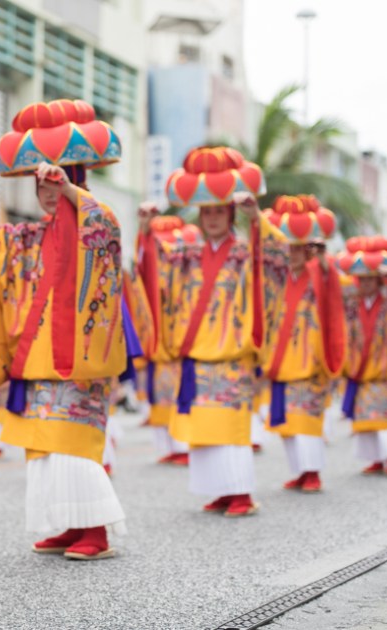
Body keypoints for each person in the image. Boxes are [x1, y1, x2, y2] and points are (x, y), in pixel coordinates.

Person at [0, 98, 131, 560]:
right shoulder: (31, 235)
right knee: (45, 448)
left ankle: (96, 530)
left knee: (72, 442)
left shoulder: (97, 222)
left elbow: (105, 227)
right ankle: (67, 525)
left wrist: (72, 192)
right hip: (39, 358)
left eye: (57, 179)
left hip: (79, 359)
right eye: (41, 181)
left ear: (77, 178)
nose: (48, 189)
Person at [138, 147, 288, 517]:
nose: (213, 218)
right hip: (196, 355)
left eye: (220, 210)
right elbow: (156, 273)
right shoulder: (188, 254)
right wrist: (145, 230)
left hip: (231, 355)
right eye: (207, 211)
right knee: (204, 430)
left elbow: (276, 260)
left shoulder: (245, 252)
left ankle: (241, 494)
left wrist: (256, 220)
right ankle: (221, 490)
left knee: (230, 427)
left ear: (231, 212)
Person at [260, 196, 345, 493]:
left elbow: (334, 291)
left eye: (298, 248)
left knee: (307, 420)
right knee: (287, 423)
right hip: (281, 358)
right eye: (288, 248)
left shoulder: (319, 274)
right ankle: (299, 471)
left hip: (310, 359)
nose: (292, 254)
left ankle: (313, 473)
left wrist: (322, 262)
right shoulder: (278, 277)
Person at [135, 215, 199, 466]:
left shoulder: (188, 272)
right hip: (160, 346)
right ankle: (173, 446)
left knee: (178, 397)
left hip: (180, 345)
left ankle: (184, 445)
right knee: (162, 398)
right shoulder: (154, 276)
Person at [337, 237, 387, 476]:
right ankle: (376, 459)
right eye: (361, 279)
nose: (364, 284)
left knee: (385, 418)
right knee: (366, 420)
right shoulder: (353, 302)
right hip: (360, 368)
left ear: (378, 280)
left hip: (383, 369)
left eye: (369, 279)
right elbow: (335, 286)